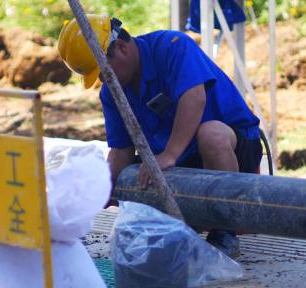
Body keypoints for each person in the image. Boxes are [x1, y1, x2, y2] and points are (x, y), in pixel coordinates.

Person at [57, 15, 262, 258]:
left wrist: (169, 154)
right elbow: (121, 152)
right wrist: (101, 194)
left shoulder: (172, 46)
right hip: (182, 164)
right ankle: (188, 223)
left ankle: (225, 231)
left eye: (102, 71)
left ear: (121, 47)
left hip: (233, 153)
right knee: (131, 177)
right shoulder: (113, 91)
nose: (102, 79)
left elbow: (195, 98)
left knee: (212, 135)